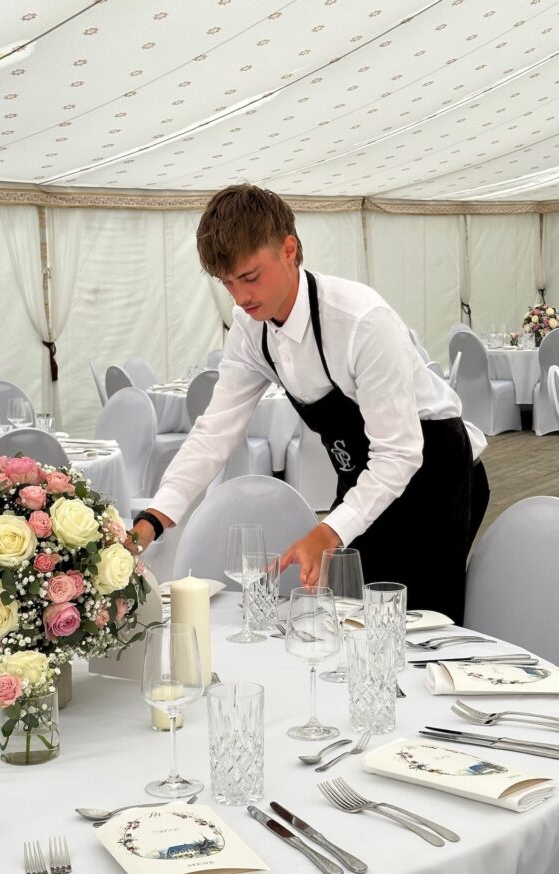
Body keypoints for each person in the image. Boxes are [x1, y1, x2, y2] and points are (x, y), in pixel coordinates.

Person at [129, 184, 489, 624]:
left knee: (417, 628)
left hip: (434, 474)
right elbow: (213, 433)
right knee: (350, 619)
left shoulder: (360, 320)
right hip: (362, 476)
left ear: (289, 249)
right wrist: (155, 517)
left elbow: (399, 452)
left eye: (250, 276)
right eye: (227, 283)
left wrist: (328, 530)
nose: (239, 298)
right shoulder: (250, 330)